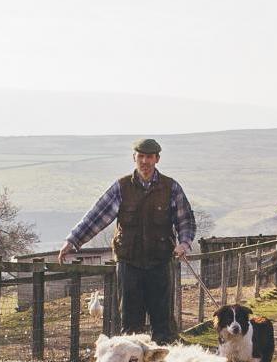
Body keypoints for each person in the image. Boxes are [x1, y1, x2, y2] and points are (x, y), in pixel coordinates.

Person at [59, 138, 198, 343]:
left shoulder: (171, 188)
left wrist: (184, 244)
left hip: (160, 263)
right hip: (128, 265)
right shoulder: (121, 187)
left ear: (157, 159)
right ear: (134, 158)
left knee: (163, 324)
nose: (144, 161)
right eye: (140, 156)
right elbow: (97, 216)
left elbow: (186, 220)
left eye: (149, 157)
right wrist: (72, 241)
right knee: (131, 325)